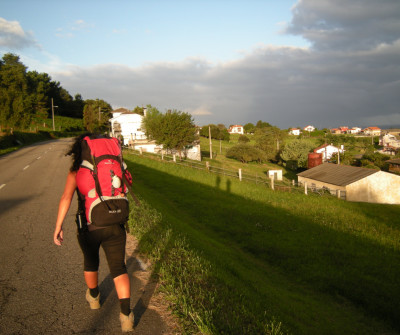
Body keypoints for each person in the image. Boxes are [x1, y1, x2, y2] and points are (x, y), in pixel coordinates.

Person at [53, 134, 134, 332]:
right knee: (119, 269)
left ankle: (94, 297)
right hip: (116, 225)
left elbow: (65, 198)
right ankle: (126, 316)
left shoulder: (76, 172)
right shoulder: (114, 167)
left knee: (91, 261)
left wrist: (58, 226)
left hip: (88, 226)